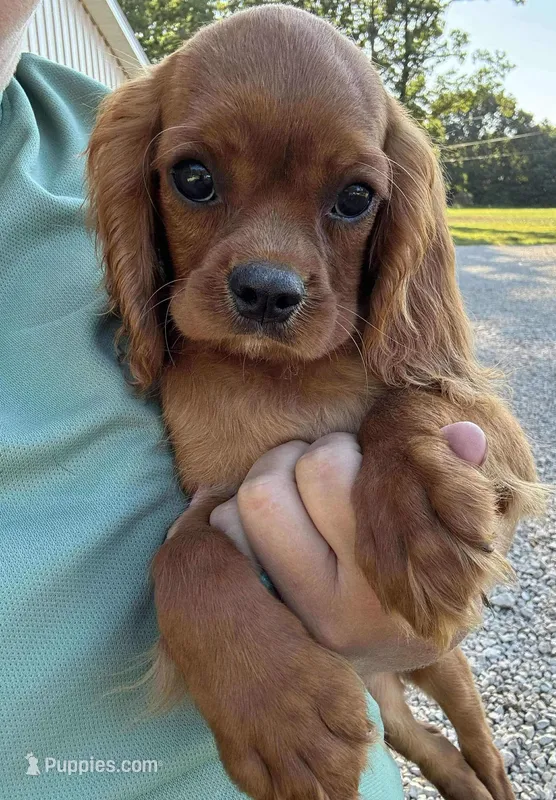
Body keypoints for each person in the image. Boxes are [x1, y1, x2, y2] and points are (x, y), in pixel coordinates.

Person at [0, 3, 488, 797]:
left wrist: (412, 435)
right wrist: (192, 578)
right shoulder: (124, 153)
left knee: (458, 702)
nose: (275, 271)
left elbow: (450, 391)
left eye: (352, 201)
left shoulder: (93, 124)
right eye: (197, 182)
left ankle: (482, 768)